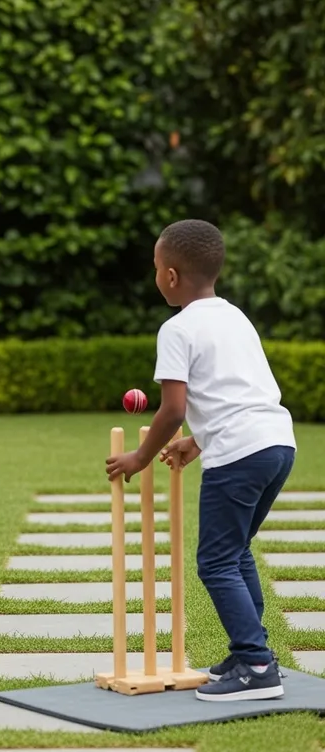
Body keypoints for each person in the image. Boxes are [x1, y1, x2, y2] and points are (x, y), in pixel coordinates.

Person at [105, 219, 296, 701]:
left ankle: (256, 667)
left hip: (237, 455)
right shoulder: (235, 317)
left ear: (170, 275)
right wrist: (198, 440)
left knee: (214, 562)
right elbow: (236, 394)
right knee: (235, 551)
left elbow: (172, 408)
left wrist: (139, 458)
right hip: (276, 442)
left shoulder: (177, 328)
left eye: (154, 268)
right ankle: (253, 652)